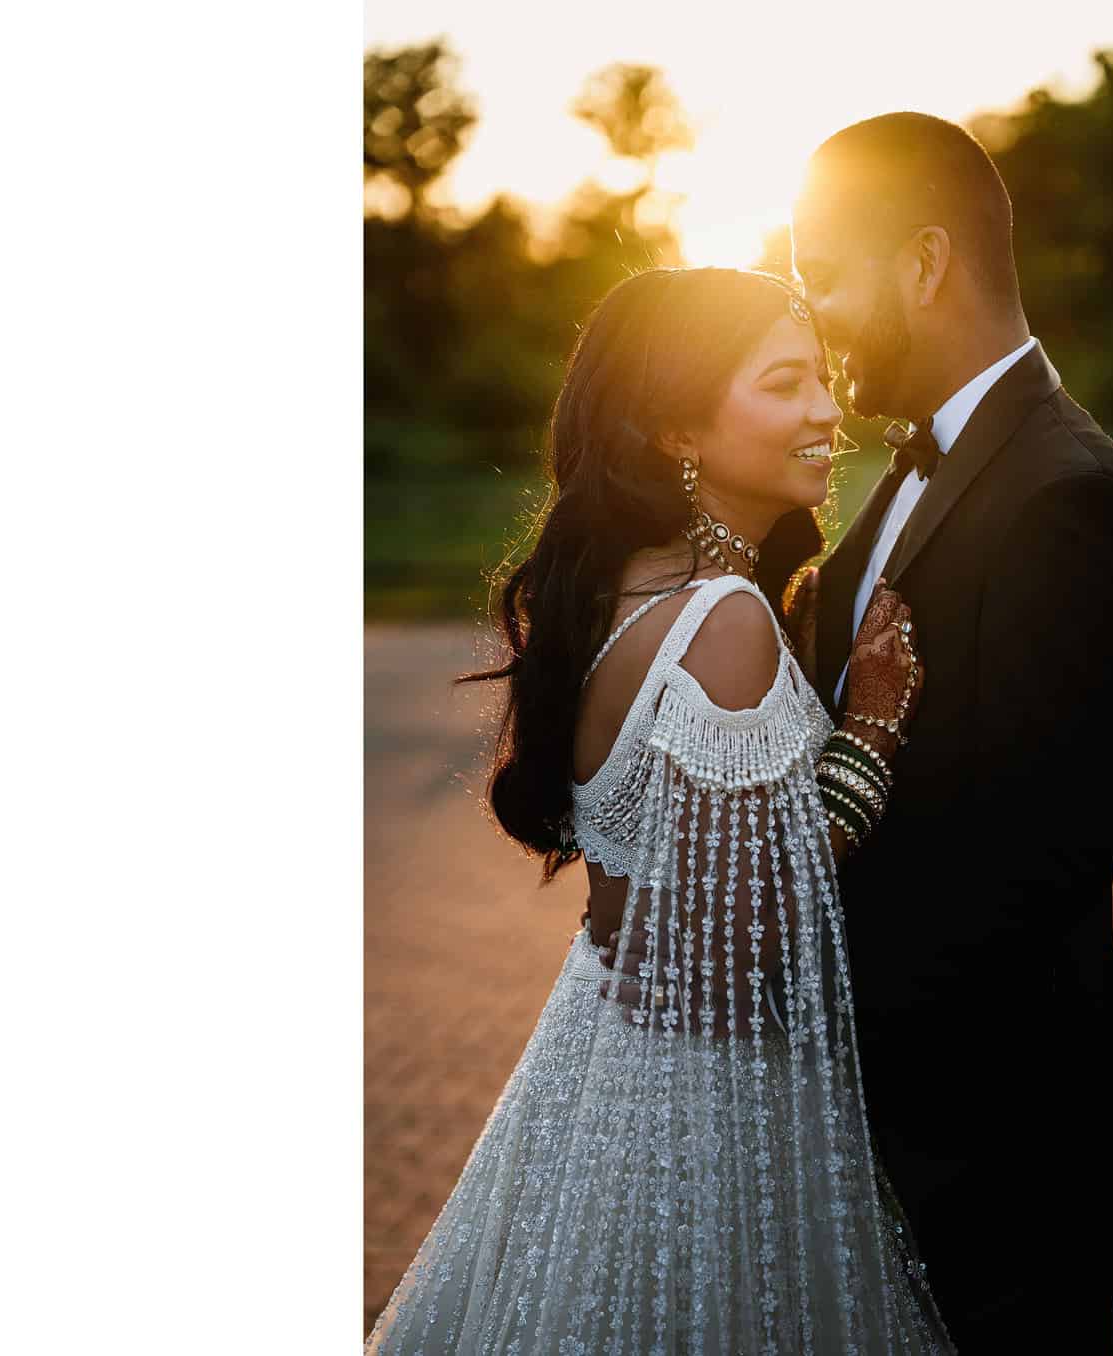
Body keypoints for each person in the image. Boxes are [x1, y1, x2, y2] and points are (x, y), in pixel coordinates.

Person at [365, 266, 957, 1355]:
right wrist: (870, 733)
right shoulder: (720, 623)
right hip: (707, 1107)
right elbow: (746, 943)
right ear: (678, 426)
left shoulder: (625, 586)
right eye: (786, 383)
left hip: (606, 1054)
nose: (829, 411)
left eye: (822, 376)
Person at [787, 111, 1113, 1351]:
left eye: (822, 277)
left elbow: (1029, 857)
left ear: (922, 262)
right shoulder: (907, 471)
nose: (814, 317)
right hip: (885, 1122)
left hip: (998, 1139)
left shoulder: (1070, 498)